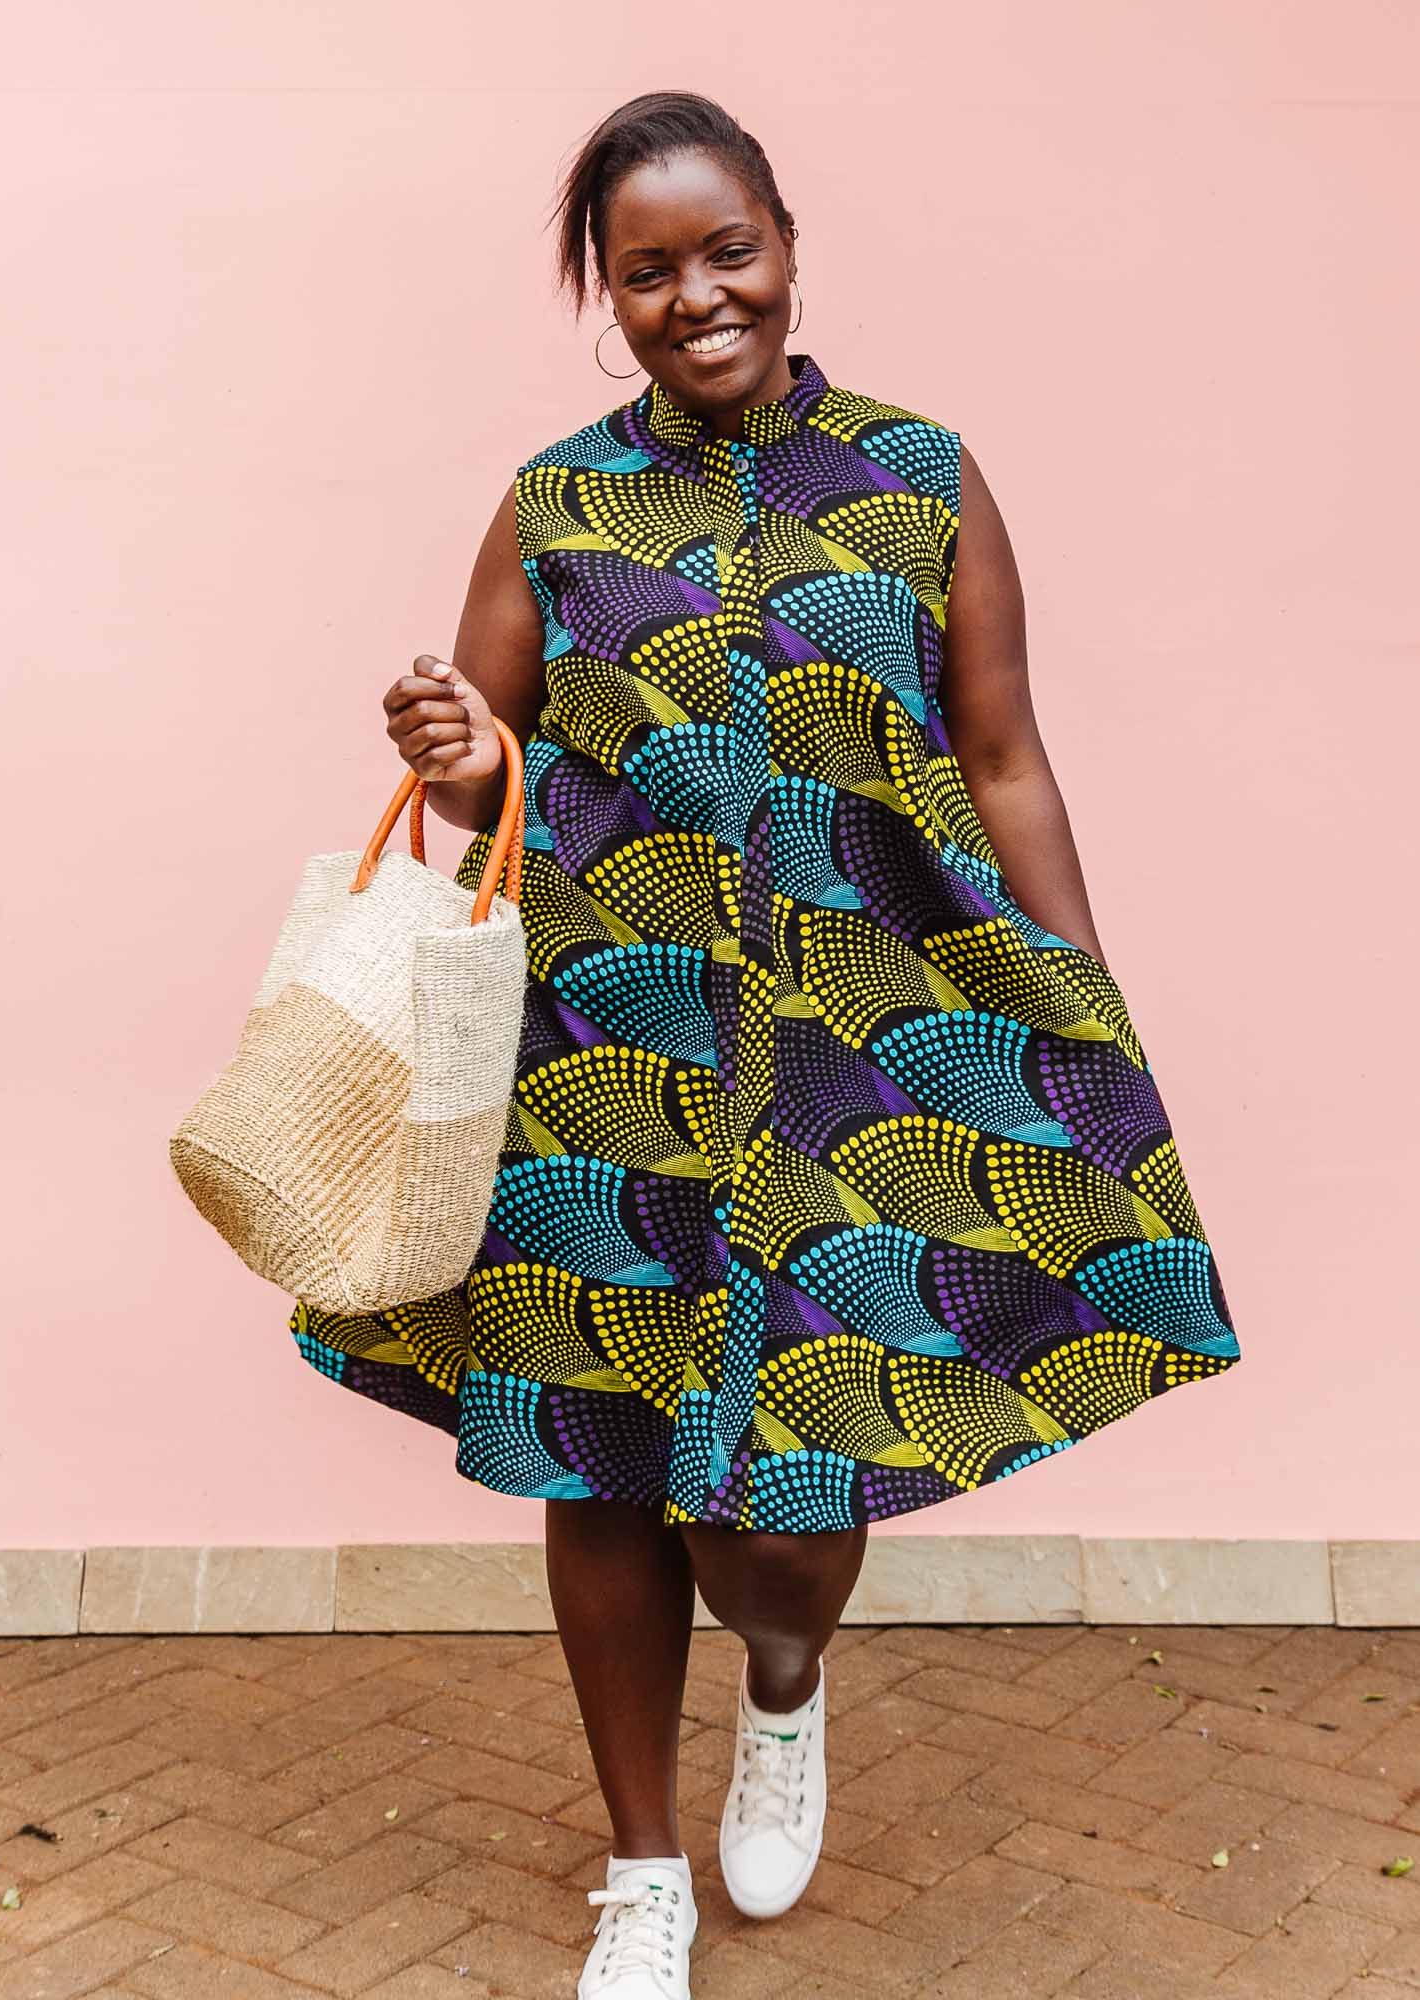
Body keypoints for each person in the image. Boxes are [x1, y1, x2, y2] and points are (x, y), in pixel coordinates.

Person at [289, 89, 1240, 1999]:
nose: (695, 296)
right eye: (647, 271)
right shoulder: (556, 502)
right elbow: (480, 775)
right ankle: (640, 1869)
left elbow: (999, 755)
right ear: (604, 295)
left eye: (726, 251)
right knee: (596, 1467)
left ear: (788, 242)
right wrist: (463, 756)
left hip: (854, 1051)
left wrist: (1078, 1004)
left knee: (786, 1523)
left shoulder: (920, 474)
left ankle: (785, 1687)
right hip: (602, 1052)